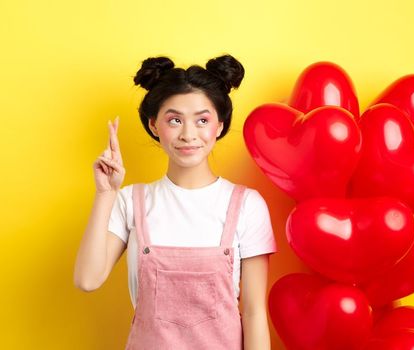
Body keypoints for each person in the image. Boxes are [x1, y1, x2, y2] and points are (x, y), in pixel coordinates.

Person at [73, 54, 277, 350]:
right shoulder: (131, 201)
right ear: (154, 125)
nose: (188, 134)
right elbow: (87, 279)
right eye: (175, 120)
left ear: (219, 125)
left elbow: (255, 313)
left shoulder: (247, 205)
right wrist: (106, 193)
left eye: (202, 120)